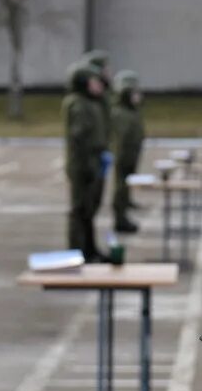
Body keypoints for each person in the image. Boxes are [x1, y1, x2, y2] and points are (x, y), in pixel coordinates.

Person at [62, 60, 110, 262]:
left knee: (89, 209)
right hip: (83, 163)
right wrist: (88, 163)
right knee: (80, 209)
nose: (98, 85)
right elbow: (79, 138)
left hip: (94, 161)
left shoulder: (92, 103)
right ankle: (77, 252)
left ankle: (90, 249)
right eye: (93, 81)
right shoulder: (78, 103)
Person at [110, 70, 145, 234]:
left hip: (131, 155)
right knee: (120, 188)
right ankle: (120, 217)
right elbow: (121, 140)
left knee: (125, 186)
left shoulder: (131, 111)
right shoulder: (120, 113)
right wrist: (123, 157)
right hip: (124, 157)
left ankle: (124, 210)